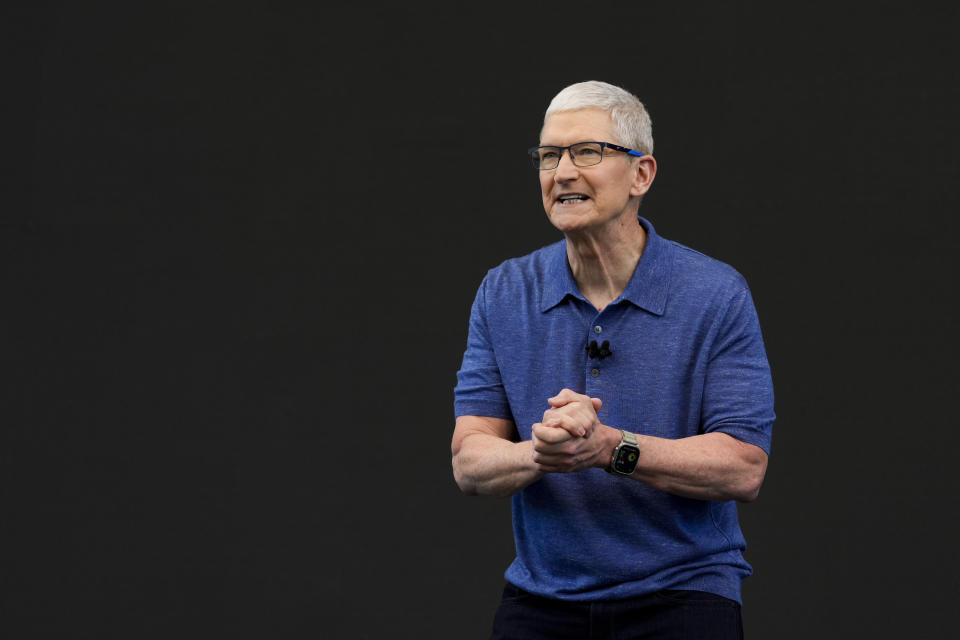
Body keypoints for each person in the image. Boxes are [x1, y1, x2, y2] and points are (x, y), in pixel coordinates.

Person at [451, 80, 775, 639]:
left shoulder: (715, 293)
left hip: (683, 596)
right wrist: (546, 452)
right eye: (549, 156)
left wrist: (610, 448)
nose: (563, 172)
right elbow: (469, 461)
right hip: (541, 598)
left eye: (587, 152)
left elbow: (743, 466)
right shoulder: (503, 291)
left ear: (641, 174)